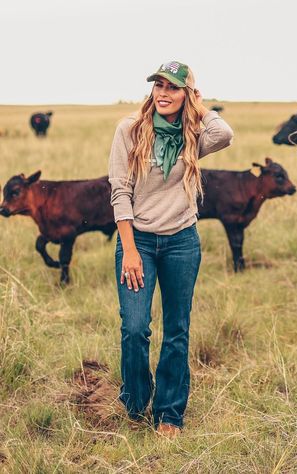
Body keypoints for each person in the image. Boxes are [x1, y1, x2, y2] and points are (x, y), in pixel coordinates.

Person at [108, 61, 233, 436]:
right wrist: (129, 250)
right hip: (139, 241)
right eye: (158, 85)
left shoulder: (193, 133)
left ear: (187, 95)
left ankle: (169, 413)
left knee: (177, 329)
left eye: (174, 87)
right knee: (134, 328)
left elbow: (224, 133)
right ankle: (134, 400)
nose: (163, 92)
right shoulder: (129, 130)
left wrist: (200, 104)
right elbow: (120, 192)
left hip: (182, 241)